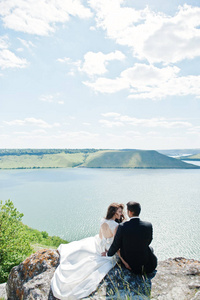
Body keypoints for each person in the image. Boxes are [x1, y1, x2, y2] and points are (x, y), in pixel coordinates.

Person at [51, 203, 127, 300]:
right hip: (109, 250)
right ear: (114, 213)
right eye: (119, 212)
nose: (121, 214)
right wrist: (124, 261)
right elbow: (116, 245)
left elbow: (100, 237)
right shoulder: (116, 226)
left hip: (101, 247)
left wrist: (103, 246)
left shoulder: (103, 220)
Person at [102, 201, 157, 274]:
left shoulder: (122, 226)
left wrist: (108, 254)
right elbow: (149, 241)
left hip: (130, 264)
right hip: (148, 266)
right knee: (150, 248)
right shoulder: (148, 225)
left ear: (130, 212)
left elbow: (116, 245)